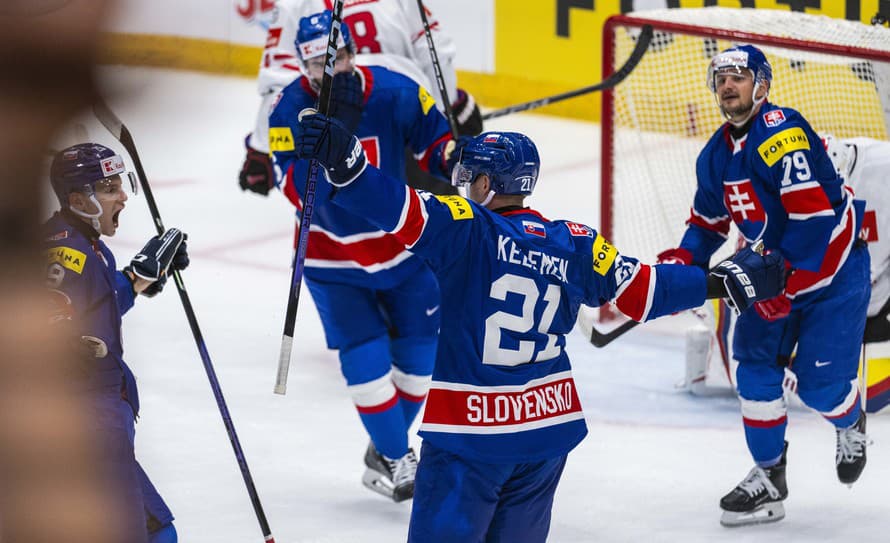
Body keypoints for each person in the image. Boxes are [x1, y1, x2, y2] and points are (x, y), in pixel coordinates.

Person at [288, 110, 786, 541]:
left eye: (472, 178)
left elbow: (394, 204)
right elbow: (646, 291)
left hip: (470, 437)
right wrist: (724, 282)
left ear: (487, 185)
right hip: (546, 433)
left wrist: (347, 161)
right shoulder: (574, 241)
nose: (464, 185)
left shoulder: (465, 225)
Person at [656, 44, 872, 526]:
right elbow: (707, 224)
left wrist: (777, 278)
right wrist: (681, 264)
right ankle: (770, 477)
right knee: (752, 372)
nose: (727, 84)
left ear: (762, 86)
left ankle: (850, 418)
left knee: (819, 388)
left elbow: (813, 221)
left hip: (829, 272)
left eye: (739, 75)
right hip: (770, 276)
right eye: (720, 77)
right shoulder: (715, 155)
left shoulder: (780, 132)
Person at [268, 10, 465, 503]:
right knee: (369, 364)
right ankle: (396, 455)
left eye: (337, 59)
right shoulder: (285, 110)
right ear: (302, 66)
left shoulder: (397, 91)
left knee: (420, 365)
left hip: (404, 245)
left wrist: (455, 159)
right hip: (331, 259)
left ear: (354, 53)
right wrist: (339, 130)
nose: (328, 73)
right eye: (316, 66)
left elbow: (436, 142)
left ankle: (385, 447)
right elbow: (298, 191)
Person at [44, 143, 189, 543]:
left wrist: (141, 277)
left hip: (99, 414)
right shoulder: (64, 252)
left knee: (157, 530)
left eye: (119, 183)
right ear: (78, 199)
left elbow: (91, 309)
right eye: (108, 188)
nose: (122, 195)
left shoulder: (84, 243)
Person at [239, 0, 482, 196]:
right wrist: (446, 109)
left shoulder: (293, 5)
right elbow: (435, 52)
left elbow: (278, 82)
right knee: (435, 225)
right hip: (407, 119)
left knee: (348, 222)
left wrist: (259, 150)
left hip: (334, 135)